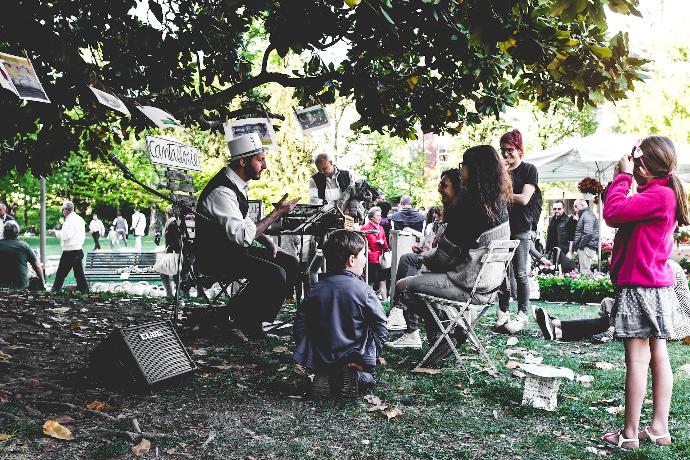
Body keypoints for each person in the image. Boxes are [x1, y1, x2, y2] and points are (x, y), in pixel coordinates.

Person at [599, 136, 690, 449]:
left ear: (647, 165)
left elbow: (612, 213)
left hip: (641, 287)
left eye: (636, 161)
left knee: (638, 361)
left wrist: (621, 177)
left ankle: (629, 435)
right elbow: (620, 211)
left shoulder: (658, 194)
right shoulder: (661, 193)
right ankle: (659, 429)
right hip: (655, 286)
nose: (633, 166)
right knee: (658, 357)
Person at [395, 146, 511, 365]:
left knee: (404, 287)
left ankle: (448, 333)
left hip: (467, 284)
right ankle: (445, 335)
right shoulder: (498, 204)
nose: (462, 170)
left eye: (463, 165)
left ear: (473, 169)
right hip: (488, 285)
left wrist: (423, 257)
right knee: (412, 284)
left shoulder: (470, 207)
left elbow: (443, 259)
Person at [195, 133, 300, 340]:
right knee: (274, 274)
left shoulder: (236, 185)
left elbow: (242, 224)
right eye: (260, 160)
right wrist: (277, 212)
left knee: (290, 263)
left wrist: (267, 241)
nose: (265, 165)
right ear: (243, 161)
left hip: (232, 250)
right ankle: (244, 321)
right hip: (215, 256)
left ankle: (241, 315)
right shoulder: (222, 191)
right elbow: (242, 236)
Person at [293, 229, 388, 399]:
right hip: (354, 357)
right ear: (352, 260)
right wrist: (375, 352)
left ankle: (325, 375)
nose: (365, 260)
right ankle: (355, 376)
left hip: (322, 356)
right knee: (370, 378)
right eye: (363, 255)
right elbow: (380, 324)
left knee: (324, 363)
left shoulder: (316, 289)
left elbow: (300, 322)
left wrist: (305, 350)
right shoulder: (364, 291)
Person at [386, 169, 460, 349]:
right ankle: (402, 316)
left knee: (406, 282)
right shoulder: (452, 211)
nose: (439, 189)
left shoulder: (461, 213)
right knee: (407, 260)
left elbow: (447, 255)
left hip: (453, 274)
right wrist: (428, 250)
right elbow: (444, 248)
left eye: (444, 185)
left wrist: (427, 253)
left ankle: (408, 320)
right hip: (446, 265)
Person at [536, 259, 690, 344]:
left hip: (670, 326)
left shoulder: (669, 268)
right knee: (610, 322)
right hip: (654, 322)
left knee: (610, 323)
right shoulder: (651, 265)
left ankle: (557, 327)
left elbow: (684, 305)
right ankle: (557, 329)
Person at [495, 129, 540, 334]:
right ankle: (502, 312)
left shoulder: (529, 170)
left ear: (519, 150)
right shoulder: (500, 173)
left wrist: (501, 193)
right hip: (502, 228)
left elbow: (524, 199)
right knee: (501, 273)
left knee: (520, 273)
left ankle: (522, 313)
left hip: (521, 228)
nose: (506, 155)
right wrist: (501, 175)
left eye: (510, 150)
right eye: (503, 150)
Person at [307, 153, 354, 286]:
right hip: (324, 224)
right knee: (320, 258)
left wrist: (342, 207)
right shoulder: (314, 179)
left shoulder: (346, 175)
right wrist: (335, 204)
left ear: (331, 162)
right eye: (319, 170)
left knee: (345, 255)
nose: (322, 172)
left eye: (324, 168)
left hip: (346, 222)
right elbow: (313, 201)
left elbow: (353, 195)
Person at [50, 200, 89, 293]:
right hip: (79, 249)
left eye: (63, 209)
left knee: (60, 274)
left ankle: (55, 291)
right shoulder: (80, 219)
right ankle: (85, 291)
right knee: (79, 275)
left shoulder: (69, 220)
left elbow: (66, 235)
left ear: (65, 210)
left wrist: (55, 233)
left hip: (69, 251)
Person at [0, 220, 45, 289]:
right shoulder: (24, 246)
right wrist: (42, 282)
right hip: (21, 285)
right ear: (17, 232)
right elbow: (37, 266)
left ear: (4, 232)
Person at [360, 206, 389, 301]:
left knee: (383, 281)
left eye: (380, 215)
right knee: (370, 281)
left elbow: (385, 244)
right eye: (378, 216)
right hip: (371, 259)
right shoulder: (365, 228)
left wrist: (383, 243)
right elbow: (362, 244)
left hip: (380, 259)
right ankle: (369, 302)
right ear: (371, 216)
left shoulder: (381, 228)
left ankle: (385, 303)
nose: (380, 217)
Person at [545, 200, 575, 272]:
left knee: (565, 271)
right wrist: (547, 251)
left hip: (564, 251)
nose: (557, 211)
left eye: (559, 209)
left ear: (563, 209)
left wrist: (570, 252)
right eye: (555, 209)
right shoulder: (552, 220)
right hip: (553, 251)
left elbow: (572, 238)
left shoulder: (568, 220)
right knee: (554, 271)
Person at [573, 198, 599, 274]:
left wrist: (580, 246)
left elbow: (588, 233)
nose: (574, 209)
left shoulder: (587, 215)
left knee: (584, 273)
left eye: (575, 206)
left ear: (581, 205)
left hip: (586, 247)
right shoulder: (586, 214)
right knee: (584, 272)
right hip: (587, 246)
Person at [160, 206, 181, 298]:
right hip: (185, 255)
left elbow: (173, 242)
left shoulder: (171, 224)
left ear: (167, 214)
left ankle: (170, 294)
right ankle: (182, 293)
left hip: (177, 255)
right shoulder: (179, 221)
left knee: (163, 272)